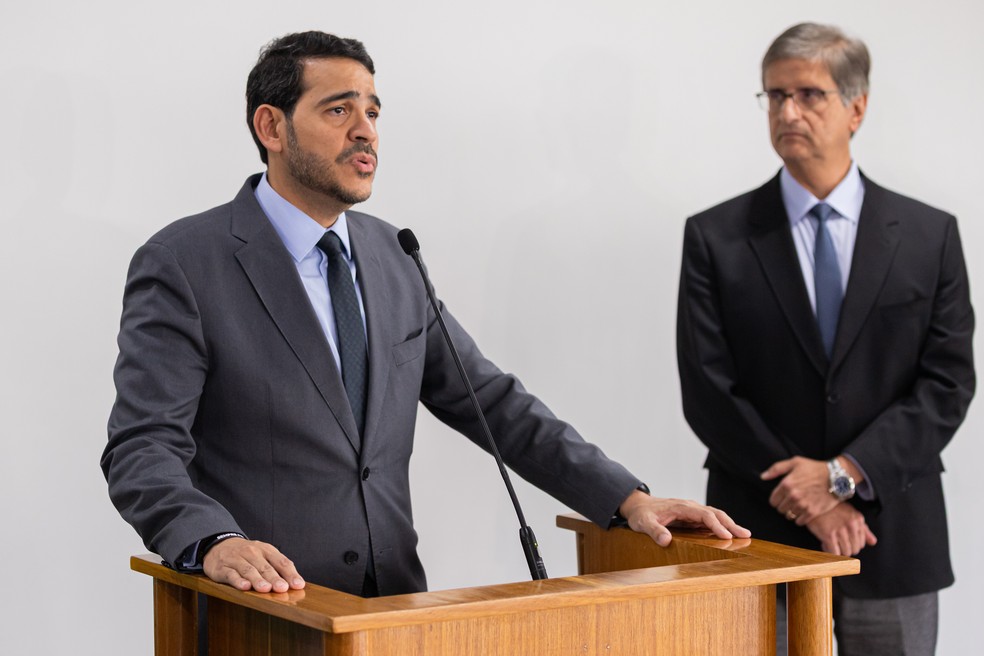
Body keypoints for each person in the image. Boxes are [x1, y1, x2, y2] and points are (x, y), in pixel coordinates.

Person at [102, 31, 748, 599]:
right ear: (272, 128)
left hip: (394, 611)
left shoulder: (392, 254)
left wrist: (627, 499)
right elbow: (143, 446)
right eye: (339, 110)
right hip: (268, 612)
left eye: (374, 111)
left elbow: (490, 402)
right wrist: (213, 540)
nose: (367, 131)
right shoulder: (186, 262)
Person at [676, 22, 974, 656]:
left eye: (809, 94)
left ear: (856, 106)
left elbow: (947, 383)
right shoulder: (716, 237)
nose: (788, 111)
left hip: (890, 530)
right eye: (774, 95)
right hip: (757, 533)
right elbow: (708, 389)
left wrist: (843, 477)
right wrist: (811, 501)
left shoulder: (929, 235)